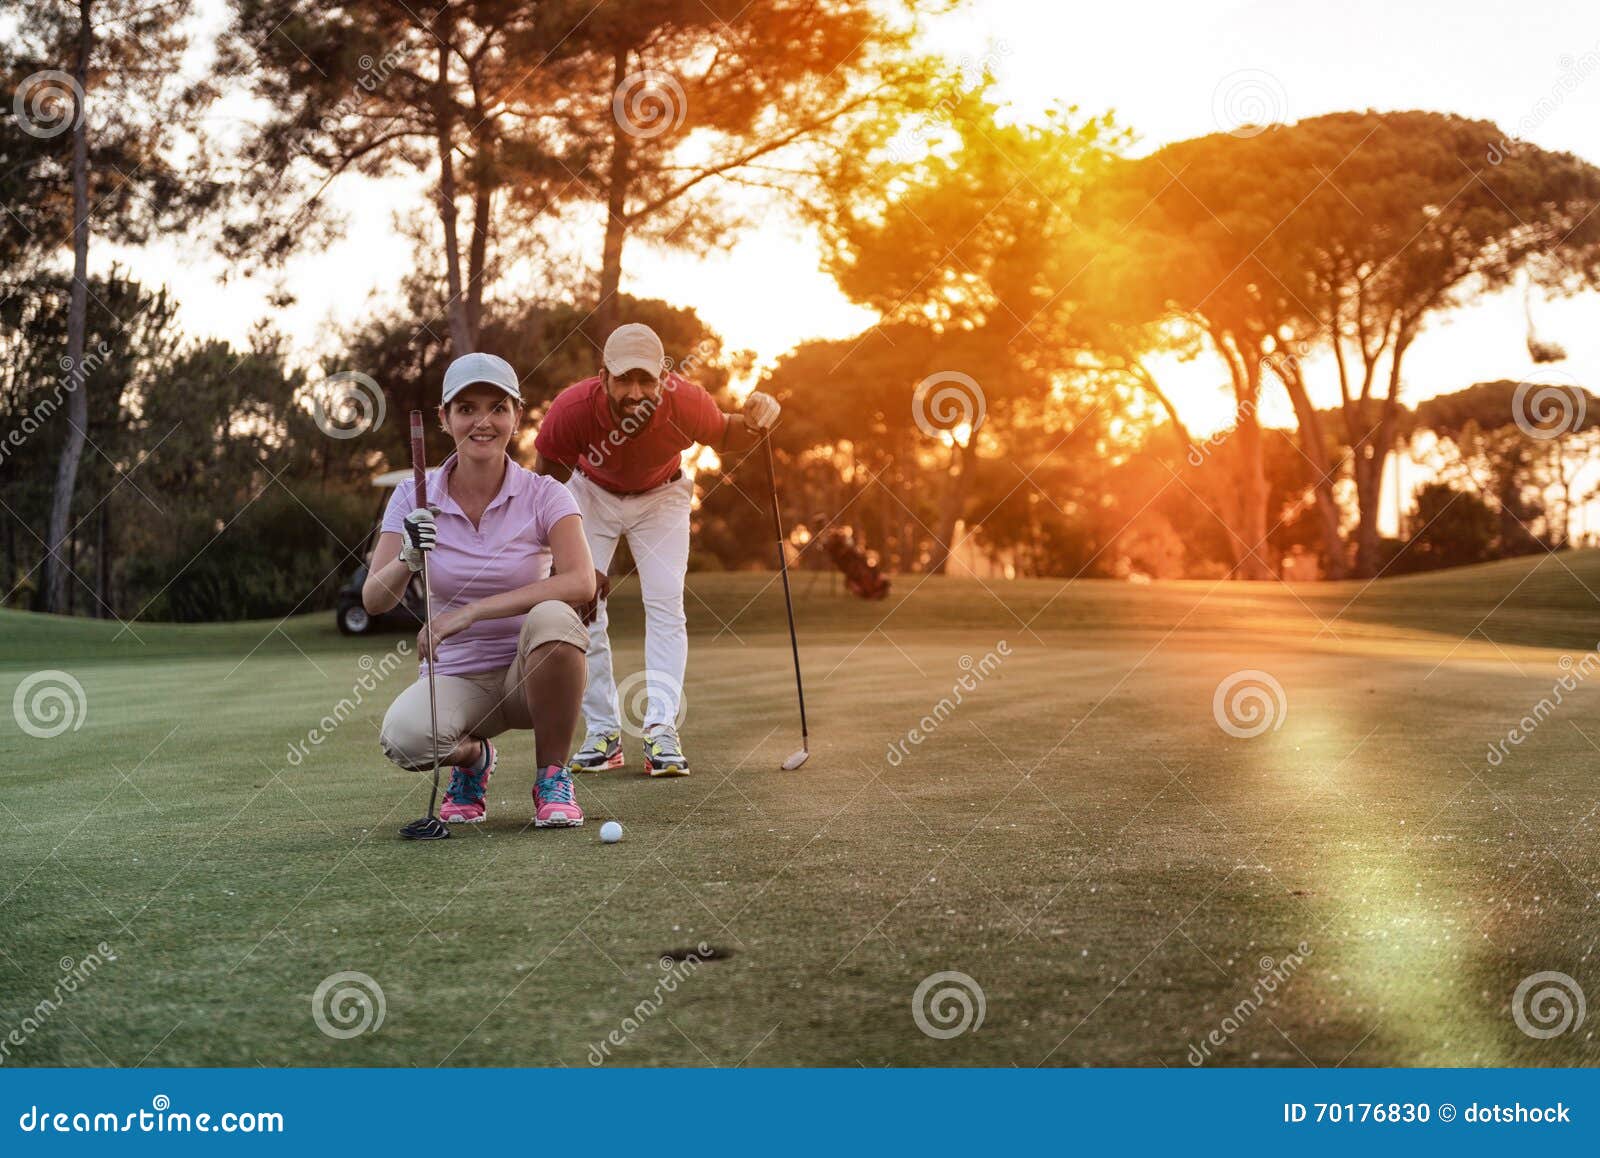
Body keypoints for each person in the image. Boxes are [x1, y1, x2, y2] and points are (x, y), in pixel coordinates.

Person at [533, 323, 780, 777]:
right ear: (602, 375)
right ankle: (603, 732)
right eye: (623, 379)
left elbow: (729, 433)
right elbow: (545, 483)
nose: (634, 392)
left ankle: (661, 728)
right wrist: (563, 557)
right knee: (581, 607)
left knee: (665, 602)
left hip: (662, 497)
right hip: (590, 494)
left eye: (645, 380)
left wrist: (759, 417)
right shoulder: (571, 409)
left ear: (663, 376)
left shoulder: (686, 401)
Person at [366, 352, 597, 826]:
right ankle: (473, 762)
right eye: (467, 408)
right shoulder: (413, 494)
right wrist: (407, 560)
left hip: (529, 676)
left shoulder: (545, 493)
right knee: (404, 739)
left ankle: (552, 776)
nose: (483, 422)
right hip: (458, 680)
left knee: (554, 616)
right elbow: (374, 599)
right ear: (445, 419)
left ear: (516, 416)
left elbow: (580, 582)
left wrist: (469, 613)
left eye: (497, 408)